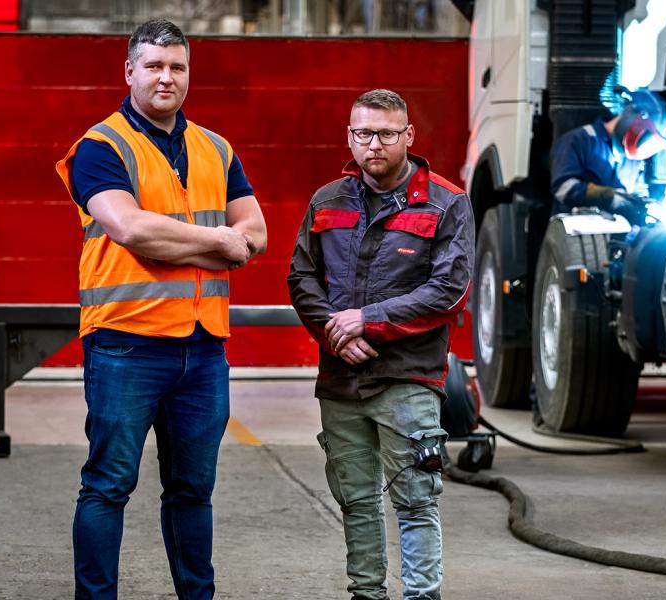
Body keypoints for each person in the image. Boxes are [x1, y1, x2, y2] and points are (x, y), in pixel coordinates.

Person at [54, 18, 267, 600]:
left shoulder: (215, 149)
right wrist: (218, 243)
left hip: (202, 351)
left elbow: (257, 231)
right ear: (129, 72)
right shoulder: (100, 147)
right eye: (153, 66)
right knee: (108, 485)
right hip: (126, 344)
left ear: (189, 74)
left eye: (177, 66)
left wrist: (219, 238)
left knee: (193, 491)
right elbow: (129, 227)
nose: (165, 77)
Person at [287, 89, 474, 600]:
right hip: (341, 377)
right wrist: (335, 332)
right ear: (350, 136)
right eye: (364, 133)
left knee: (416, 501)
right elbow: (302, 276)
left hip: (407, 379)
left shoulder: (447, 202)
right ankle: (366, 594)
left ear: (408, 136)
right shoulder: (327, 201)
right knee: (357, 500)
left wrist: (366, 321)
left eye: (387, 134)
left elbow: (449, 289)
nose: (375, 144)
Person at [549, 87, 666, 220]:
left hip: (615, 238)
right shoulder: (580, 140)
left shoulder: (633, 160)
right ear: (633, 115)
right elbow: (563, 188)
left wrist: (644, 207)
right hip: (573, 236)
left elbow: (638, 192)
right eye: (644, 136)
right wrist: (609, 197)